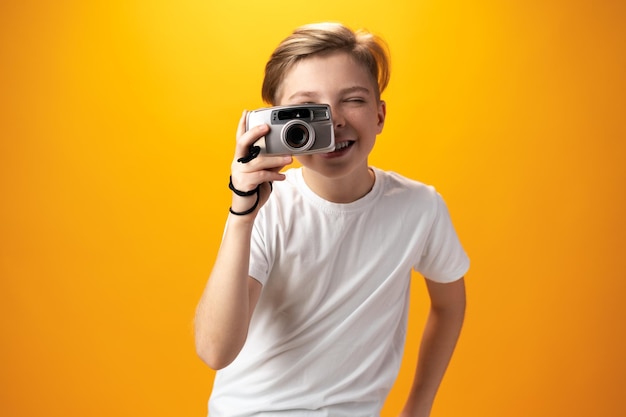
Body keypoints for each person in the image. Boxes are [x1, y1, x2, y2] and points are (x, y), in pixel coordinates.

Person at [194, 22, 469, 417]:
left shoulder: (419, 208)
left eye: (352, 100)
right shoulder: (265, 206)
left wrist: (418, 406)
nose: (332, 121)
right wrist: (242, 213)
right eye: (308, 109)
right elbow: (215, 350)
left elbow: (449, 304)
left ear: (379, 115)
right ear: (275, 125)